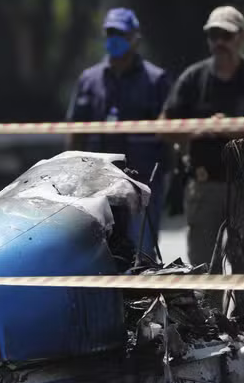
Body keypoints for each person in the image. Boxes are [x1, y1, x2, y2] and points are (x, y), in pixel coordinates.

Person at [161, 5, 244, 315]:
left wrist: (239, 128)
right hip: (203, 185)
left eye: (225, 35)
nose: (219, 42)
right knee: (202, 270)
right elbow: (165, 128)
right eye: (213, 35)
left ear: (241, 38)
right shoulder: (193, 79)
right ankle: (208, 332)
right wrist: (202, 130)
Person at [66, 7, 171, 258]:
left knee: (142, 254)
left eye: (121, 34)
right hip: (96, 186)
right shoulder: (89, 80)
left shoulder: (156, 80)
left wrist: (173, 176)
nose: (114, 39)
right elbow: (75, 130)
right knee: (101, 255)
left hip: (141, 186)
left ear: (136, 38)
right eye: (110, 33)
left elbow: (169, 134)